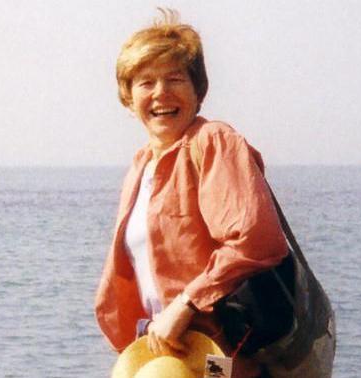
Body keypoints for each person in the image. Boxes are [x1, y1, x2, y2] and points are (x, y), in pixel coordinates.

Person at [95, 9, 335, 377]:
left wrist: (186, 304)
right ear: (128, 97)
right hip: (169, 348)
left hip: (219, 350)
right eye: (145, 82)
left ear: (198, 90)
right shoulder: (142, 165)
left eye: (175, 78)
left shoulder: (213, 143)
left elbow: (256, 241)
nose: (161, 93)